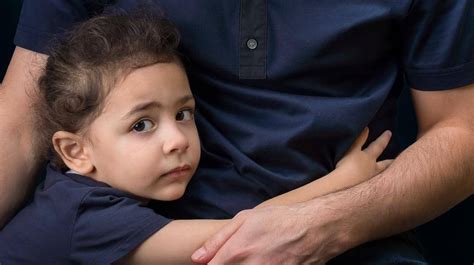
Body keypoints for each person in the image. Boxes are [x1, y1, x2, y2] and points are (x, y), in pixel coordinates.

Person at [0, 1, 472, 264]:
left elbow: (462, 129)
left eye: (187, 114)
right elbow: (232, 242)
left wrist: (340, 216)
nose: (178, 140)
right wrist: (343, 181)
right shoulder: (85, 218)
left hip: (357, 244)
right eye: (142, 124)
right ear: (74, 151)